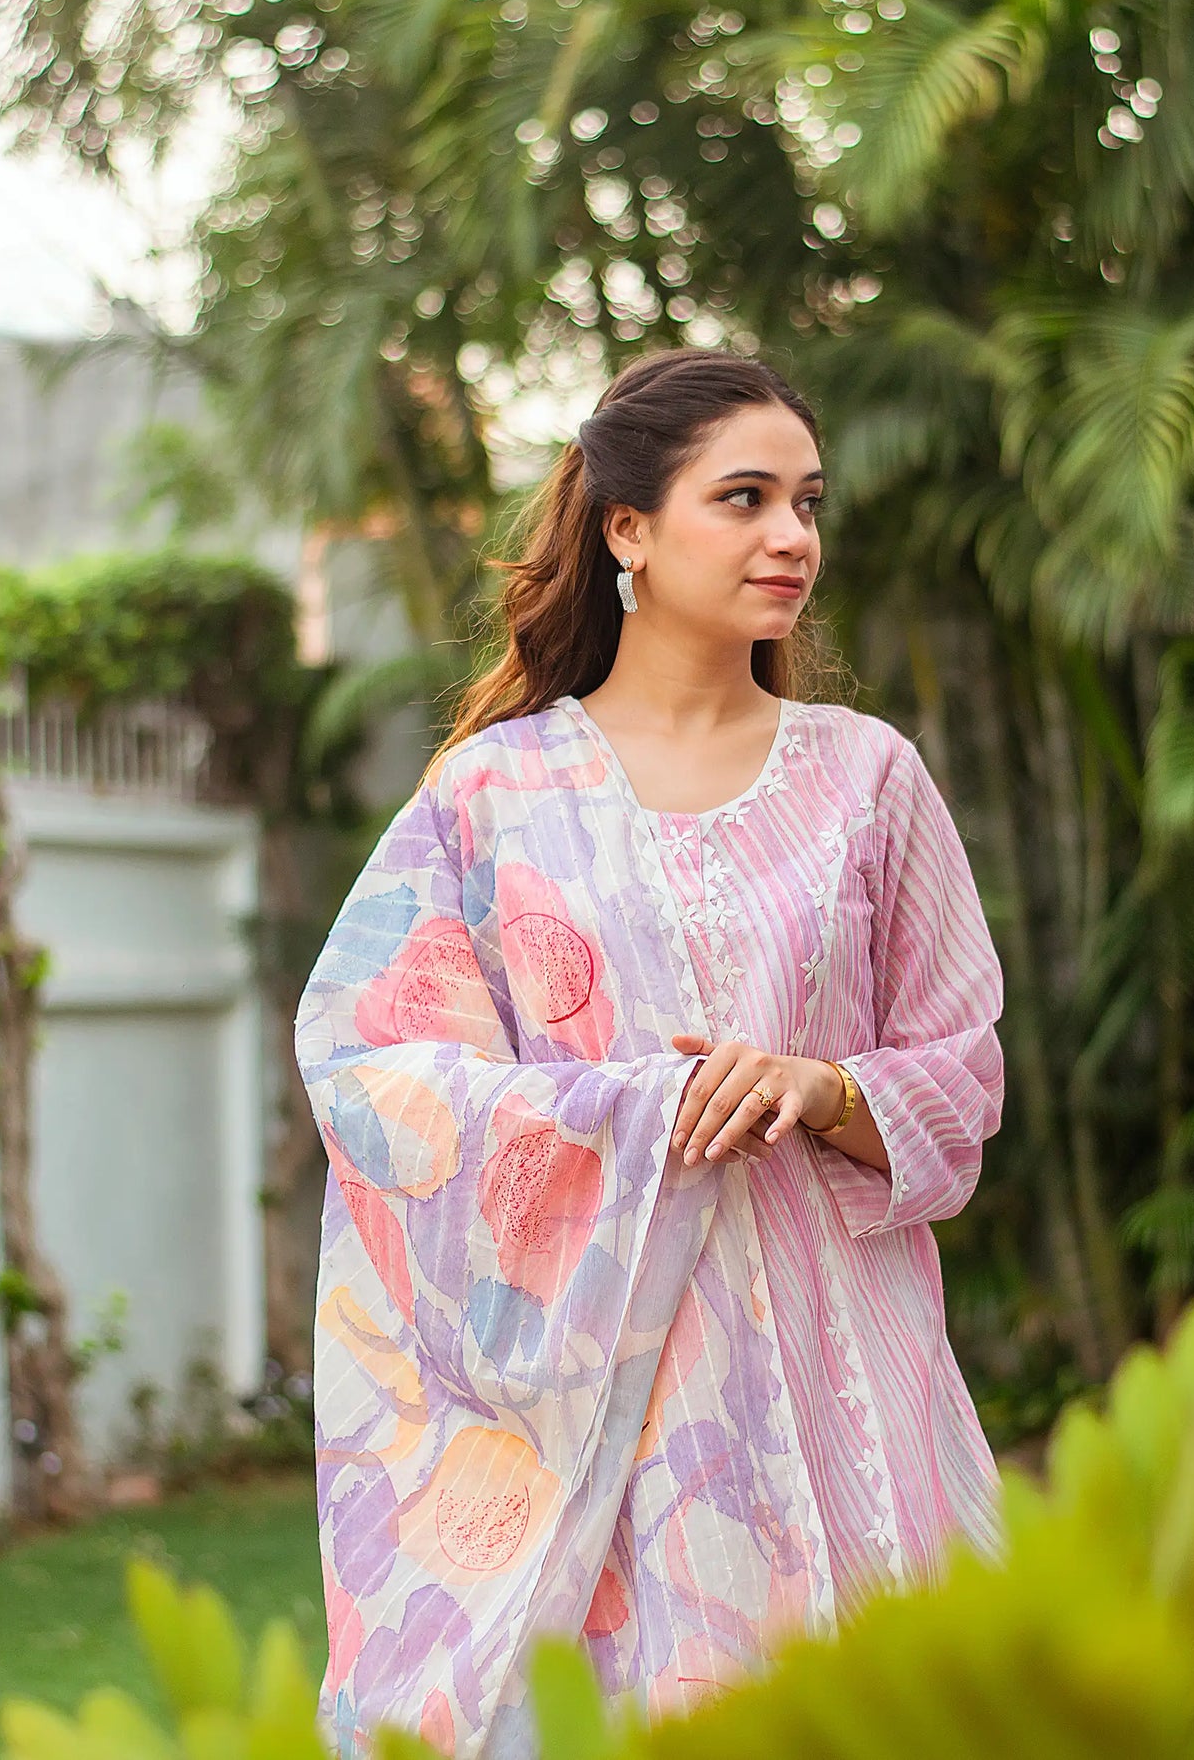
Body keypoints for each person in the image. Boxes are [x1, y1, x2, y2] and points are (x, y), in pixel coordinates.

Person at [295, 347, 1006, 1760]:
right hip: (612, 1407)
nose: (790, 535)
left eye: (807, 501)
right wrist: (638, 1105)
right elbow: (374, 1074)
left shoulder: (865, 777)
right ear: (627, 527)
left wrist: (825, 1086)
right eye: (742, 498)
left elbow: (965, 1065)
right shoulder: (491, 794)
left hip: (846, 1379)